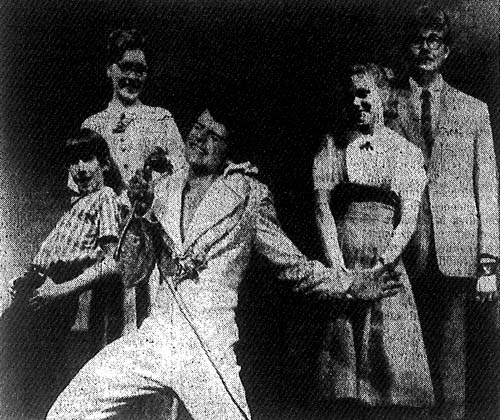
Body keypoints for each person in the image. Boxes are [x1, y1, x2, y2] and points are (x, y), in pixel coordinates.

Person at [46, 106, 403, 420]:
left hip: (207, 345)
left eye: (213, 135)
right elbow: (132, 270)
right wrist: (138, 217)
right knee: (66, 410)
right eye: (198, 128)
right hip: (155, 337)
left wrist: (351, 284)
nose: (199, 138)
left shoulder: (248, 196)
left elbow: (292, 267)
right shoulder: (164, 188)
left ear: (229, 149)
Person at [392, 6, 500, 420]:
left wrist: (489, 264)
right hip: (401, 250)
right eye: (418, 39)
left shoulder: (473, 111)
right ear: (408, 47)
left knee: (451, 369)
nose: (425, 48)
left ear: (447, 50)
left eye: (434, 40)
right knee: (403, 366)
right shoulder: (385, 102)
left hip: (456, 253)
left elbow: (487, 190)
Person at [312, 63, 433, 417]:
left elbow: (409, 216)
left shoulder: (405, 152)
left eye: (364, 93)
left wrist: (383, 266)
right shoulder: (332, 147)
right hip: (345, 258)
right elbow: (323, 212)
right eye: (351, 95)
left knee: (387, 377)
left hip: (385, 260)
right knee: (343, 379)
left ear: (382, 95)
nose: (356, 102)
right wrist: (339, 271)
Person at [0, 128, 121, 419]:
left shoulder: (105, 197)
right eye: (73, 161)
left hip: (57, 288)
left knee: (39, 375)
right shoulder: (76, 205)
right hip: (37, 283)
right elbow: (54, 249)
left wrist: (60, 289)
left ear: (103, 163)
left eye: (86, 159)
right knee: (12, 359)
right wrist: (26, 279)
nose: (79, 168)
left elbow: (111, 261)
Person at [76, 28, 186, 328]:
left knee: (149, 324)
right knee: (106, 330)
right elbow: (77, 191)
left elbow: (182, 179)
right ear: (110, 69)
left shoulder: (161, 120)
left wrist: (152, 196)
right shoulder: (93, 125)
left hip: (151, 237)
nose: (133, 78)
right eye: (126, 68)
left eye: (141, 70)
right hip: (105, 248)